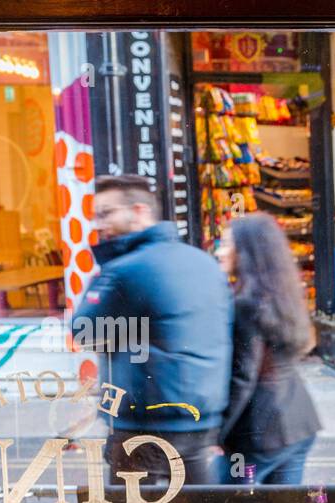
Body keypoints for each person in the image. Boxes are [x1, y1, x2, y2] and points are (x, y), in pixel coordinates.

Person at [75, 174, 232, 485]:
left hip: (143, 425)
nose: (97, 225)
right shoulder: (203, 263)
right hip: (201, 422)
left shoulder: (125, 270)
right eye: (95, 216)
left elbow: (84, 330)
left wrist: (108, 264)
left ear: (139, 211)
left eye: (106, 213)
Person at [216, 213, 322, 484]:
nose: (220, 251)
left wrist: (216, 434)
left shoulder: (245, 305)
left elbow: (243, 377)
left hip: (262, 432)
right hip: (300, 422)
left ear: (247, 252)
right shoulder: (281, 296)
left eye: (228, 244)